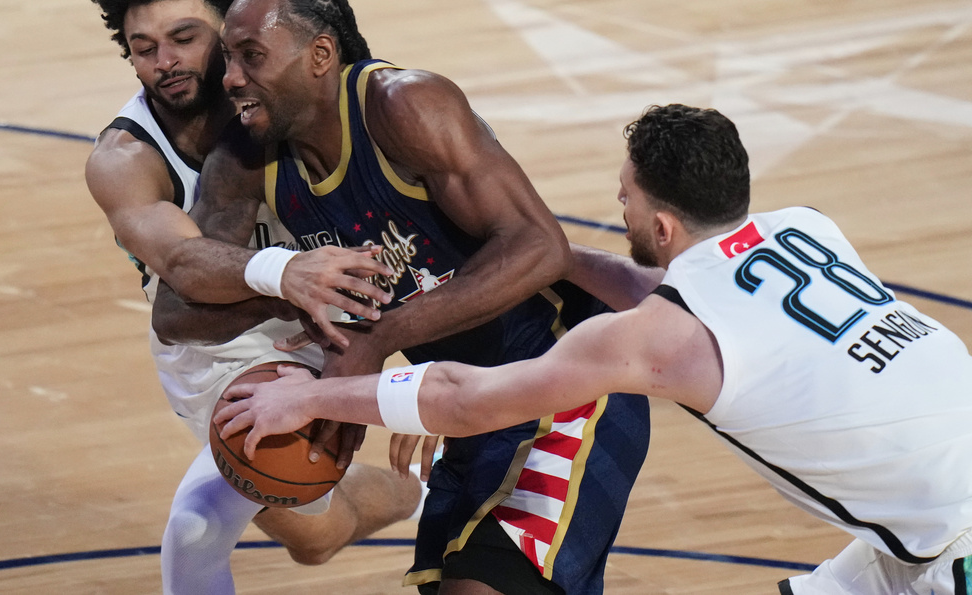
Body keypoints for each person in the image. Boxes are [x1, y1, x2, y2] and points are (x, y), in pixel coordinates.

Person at [216, 102, 972, 595]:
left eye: (626, 197)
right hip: (923, 513)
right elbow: (662, 285)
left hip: (954, 548)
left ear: (664, 226)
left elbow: (461, 398)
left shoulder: (659, 341)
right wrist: (552, 252)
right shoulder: (805, 225)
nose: (621, 206)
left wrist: (308, 395)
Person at [156, 0, 653, 594]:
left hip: (561, 380)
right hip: (461, 409)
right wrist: (289, 286)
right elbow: (174, 313)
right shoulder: (247, 158)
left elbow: (539, 247)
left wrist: (377, 339)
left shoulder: (403, 105)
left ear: (320, 55)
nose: (231, 79)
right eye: (228, 59)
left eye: (252, 57)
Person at [85, 0, 421, 595]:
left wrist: (419, 358)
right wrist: (282, 274)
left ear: (230, 27)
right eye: (143, 48)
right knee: (314, 537)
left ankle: (430, 477)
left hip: (326, 315)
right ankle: (417, 490)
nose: (165, 61)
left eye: (185, 37)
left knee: (194, 529)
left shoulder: (293, 97)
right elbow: (182, 266)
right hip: (213, 339)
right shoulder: (125, 159)